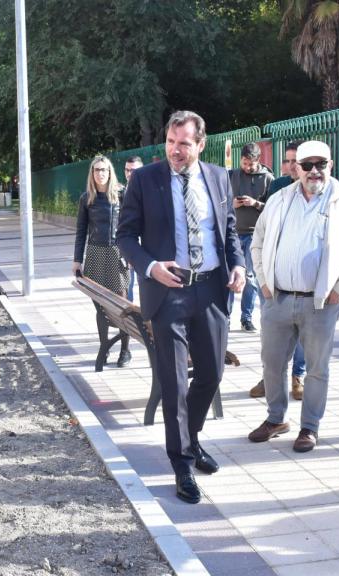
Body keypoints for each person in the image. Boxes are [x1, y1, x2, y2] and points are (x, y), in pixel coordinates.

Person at [117, 111, 246, 505]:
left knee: (211, 373)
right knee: (174, 384)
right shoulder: (144, 179)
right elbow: (125, 236)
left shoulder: (219, 177)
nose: (175, 150)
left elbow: (227, 231)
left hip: (210, 289)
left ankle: (191, 439)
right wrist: (152, 267)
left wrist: (238, 264)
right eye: (171, 143)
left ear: (200, 144)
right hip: (167, 293)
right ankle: (182, 463)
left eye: (184, 144)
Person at [248, 140, 339, 454]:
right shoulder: (279, 199)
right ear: (295, 168)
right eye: (307, 165)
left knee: (317, 368)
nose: (314, 171)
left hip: (320, 303)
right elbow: (257, 243)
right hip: (278, 299)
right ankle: (276, 418)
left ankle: (309, 427)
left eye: (321, 164)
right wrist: (263, 283)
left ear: (331, 165)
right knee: (272, 364)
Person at [249, 142, 307, 401]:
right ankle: (270, 376)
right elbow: (264, 229)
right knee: (272, 332)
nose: (292, 166)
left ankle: (298, 376)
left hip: (306, 279)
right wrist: (263, 279)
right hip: (275, 276)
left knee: (303, 333)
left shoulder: (322, 190)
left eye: (297, 160)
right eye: (288, 160)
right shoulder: (277, 186)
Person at [73, 156, 133, 370]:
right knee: (101, 308)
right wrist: (77, 260)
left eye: (104, 170)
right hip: (95, 255)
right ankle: (104, 348)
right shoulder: (86, 199)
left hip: (117, 254)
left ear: (110, 172)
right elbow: (81, 232)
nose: (100, 173)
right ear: (92, 173)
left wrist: (131, 254)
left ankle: (125, 350)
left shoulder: (121, 195)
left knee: (122, 307)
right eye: (97, 170)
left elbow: (131, 226)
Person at [229, 142, 274, 333]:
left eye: (251, 164)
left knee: (250, 278)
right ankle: (225, 316)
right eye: (244, 163)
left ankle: (246, 318)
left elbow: (273, 208)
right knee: (231, 275)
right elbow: (220, 202)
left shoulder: (268, 178)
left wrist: (255, 203)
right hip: (233, 233)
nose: (247, 167)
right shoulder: (231, 175)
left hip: (256, 235)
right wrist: (233, 205)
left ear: (258, 160)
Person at [122, 156, 144, 302]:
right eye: (127, 170)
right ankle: (128, 322)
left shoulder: (149, 192)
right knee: (127, 286)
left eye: (133, 170)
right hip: (130, 247)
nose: (130, 174)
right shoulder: (120, 193)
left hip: (147, 249)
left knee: (146, 287)